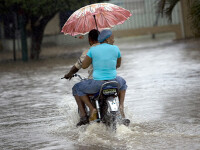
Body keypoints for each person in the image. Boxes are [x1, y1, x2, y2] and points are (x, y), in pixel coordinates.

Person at [72, 29, 128, 123]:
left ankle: (91, 109)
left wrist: (94, 60)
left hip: (98, 84)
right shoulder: (115, 48)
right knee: (123, 83)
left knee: (77, 88)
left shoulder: (92, 50)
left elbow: (84, 66)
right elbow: (118, 65)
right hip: (114, 82)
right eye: (112, 38)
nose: (113, 40)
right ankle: (121, 105)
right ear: (106, 39)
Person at [64, 29, 99, 126]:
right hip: (110, 80)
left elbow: (78, 66)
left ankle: (84, 116)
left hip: (95, 81)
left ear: (90, 39)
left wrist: (69, 74)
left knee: (77, 88)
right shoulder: (109, 49)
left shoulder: (89, 52)